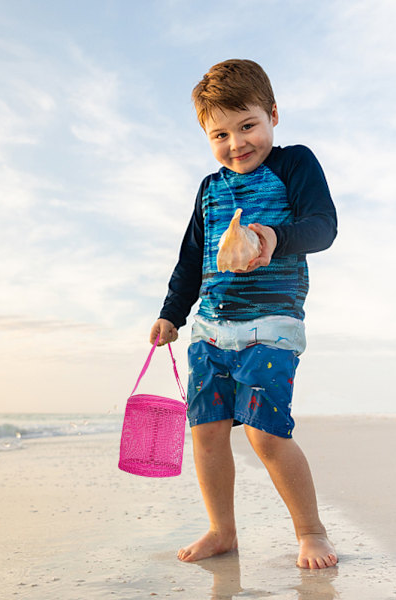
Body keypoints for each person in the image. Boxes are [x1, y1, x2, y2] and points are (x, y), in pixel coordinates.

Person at [149, 59, 338, 569]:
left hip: (272, 325)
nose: (237, 143)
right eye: (221, 134)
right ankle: (221, 530)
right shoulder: (209, 190)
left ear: (273, 114)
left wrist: (275, 238)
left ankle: (311, 531)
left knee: (265, 432)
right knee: (206, 430)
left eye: (248, 125)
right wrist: (172, 313)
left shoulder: (294, 164)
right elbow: (192, 258)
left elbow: (323, 227)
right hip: (210, 325)